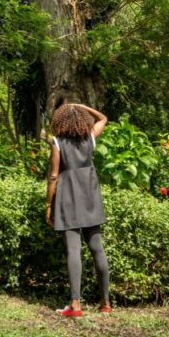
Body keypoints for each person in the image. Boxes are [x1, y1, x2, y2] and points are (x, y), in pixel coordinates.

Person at [45, 101, 111, 317]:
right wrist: (82, 106)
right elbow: (103, 118)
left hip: (69, 197)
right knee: (97, 248)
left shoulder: (57, 142)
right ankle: (105, 302)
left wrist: (48, 204)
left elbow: (54, 175)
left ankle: (75, 305)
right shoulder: (89, 137)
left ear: (60, 121)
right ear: (81, 119)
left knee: (74, 250)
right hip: (90, 196)